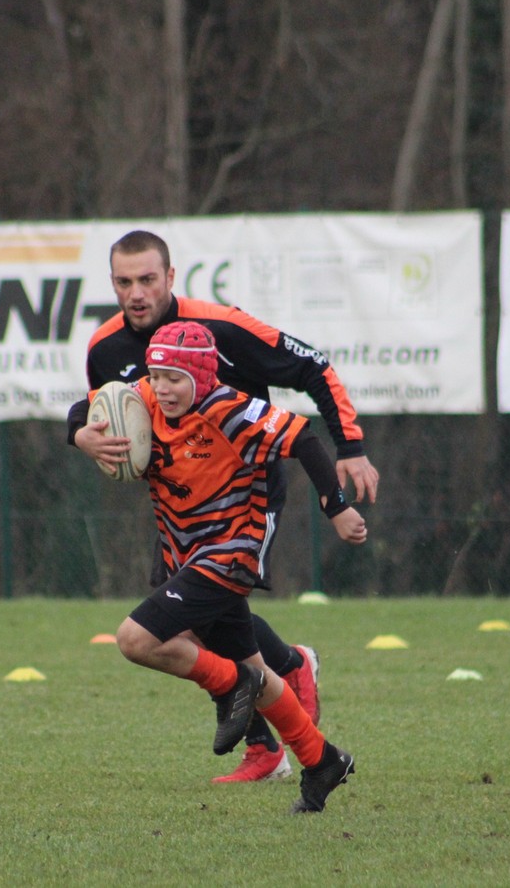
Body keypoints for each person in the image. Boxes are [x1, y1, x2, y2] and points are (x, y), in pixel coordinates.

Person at [67, 229, 380, 783]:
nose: (135, 293)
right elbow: (101, 411)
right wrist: (82, 437)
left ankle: (274, 715)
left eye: (147, 279)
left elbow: (312, 367)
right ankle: (297, 731)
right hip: (179, 505)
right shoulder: (106, 349)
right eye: (123, 282)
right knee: (202, 630)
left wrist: (350, 448)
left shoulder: (222, 327)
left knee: (193, 621)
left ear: (170, 276)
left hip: (244, 500)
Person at [113, 320, 366, 813]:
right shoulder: (143, 396)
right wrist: (84, 434)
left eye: (174, 379)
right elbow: (88, 406)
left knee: (135, 640)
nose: (162, 388)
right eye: (156, 376)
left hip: (229, 554)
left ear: (202, 377)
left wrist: (336, 507)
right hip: (185, 555)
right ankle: (323, 761)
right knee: (257, 670)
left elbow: (304, 439)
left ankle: (231, 685)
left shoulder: (230, 410)